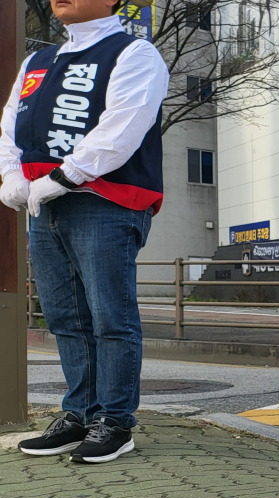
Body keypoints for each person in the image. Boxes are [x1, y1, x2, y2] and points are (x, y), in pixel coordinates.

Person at [1, 0, 168, 463]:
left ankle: (114, 421)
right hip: (43, 203)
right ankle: (79, 414)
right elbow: (11, 126)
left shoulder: (134, 53)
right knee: (66, 319)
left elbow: (122, 128)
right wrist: (12, 177)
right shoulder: (37, 62)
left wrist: (62, 178)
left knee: (110, 317)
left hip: (106, 201)